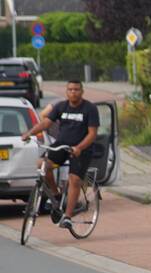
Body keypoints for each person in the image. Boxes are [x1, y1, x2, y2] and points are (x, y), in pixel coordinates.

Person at [21, 80, 99, 229]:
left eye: (76, 89)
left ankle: (67, 217)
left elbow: (92, 134)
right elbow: (46, 123)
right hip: (61, 146)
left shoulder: (90, 109)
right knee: (42, 164)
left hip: (81, 150)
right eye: (70, 89)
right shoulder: (61, 107)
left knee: (74, 179)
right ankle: (56, 195)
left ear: (82, 91)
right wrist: (30, 133)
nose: (73, 92)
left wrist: (79, 147)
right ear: (66, 91)